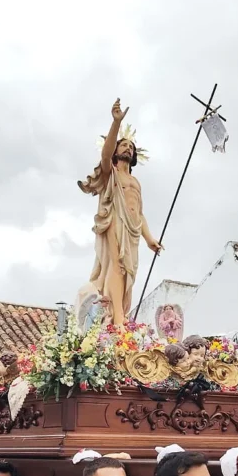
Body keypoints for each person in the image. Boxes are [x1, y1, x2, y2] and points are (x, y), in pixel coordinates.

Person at [78, 98, 162, 326]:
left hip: (133, 229)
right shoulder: (110, 174)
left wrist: (149, 238)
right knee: (117, 266)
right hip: (115, 219)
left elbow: (140, 213)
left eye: (131, 147)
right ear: (115, 149)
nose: (128, 148)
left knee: (128, 276)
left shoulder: (135, 181)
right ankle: (117, 320)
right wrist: (116, 123)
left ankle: (121, 313)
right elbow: (105, 157)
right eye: (123, 144)